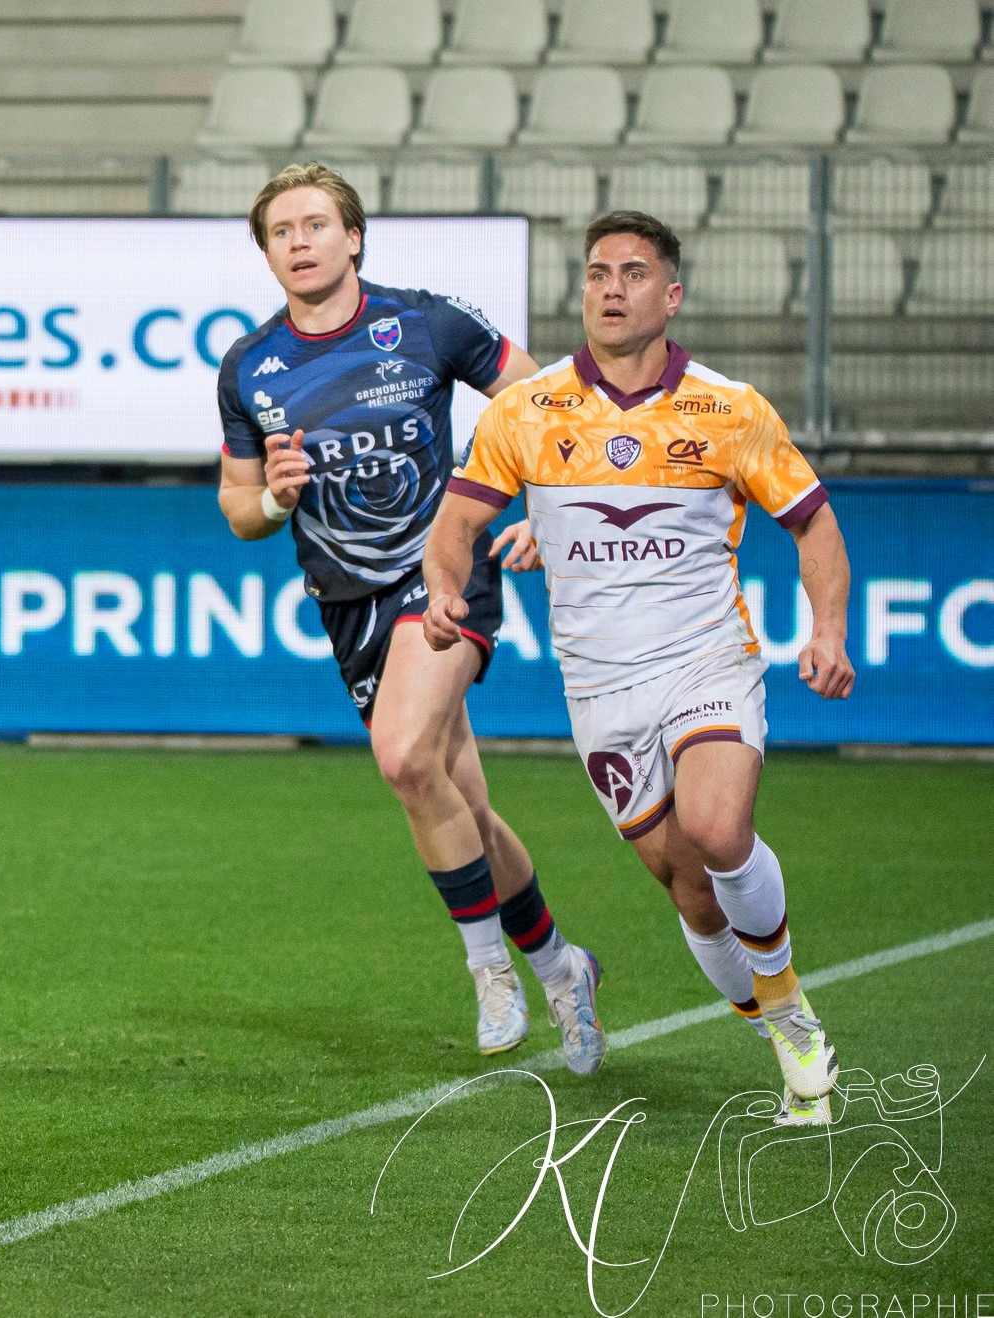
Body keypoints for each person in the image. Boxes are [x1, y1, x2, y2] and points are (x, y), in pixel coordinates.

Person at [424, 210, 852, 1120]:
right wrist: (442, 592)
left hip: (706, 658)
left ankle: (789, 1011)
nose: (609, 288)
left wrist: (827, 630)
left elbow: (812, 522)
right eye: (594, 273)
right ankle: (769, 1023)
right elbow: (456, 524)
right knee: (688, 888)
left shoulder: (730, 408)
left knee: (717, 828)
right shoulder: (525, 410)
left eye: (630, 272)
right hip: (598, 687)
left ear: (670, 294)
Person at [215, 163, 607, 1074]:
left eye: (317, 224)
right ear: (267, 252)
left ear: (353, 237)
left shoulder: (425, 321)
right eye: (282, 231)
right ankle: (560, 965)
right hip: (345, 602)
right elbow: (238, 508)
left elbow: (545, 402)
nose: (301, 241)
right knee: (458, 798)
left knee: (399, 757)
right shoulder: (251, 367)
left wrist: (532, 506)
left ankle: (487, 973)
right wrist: (272, 499)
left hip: (442, 573)